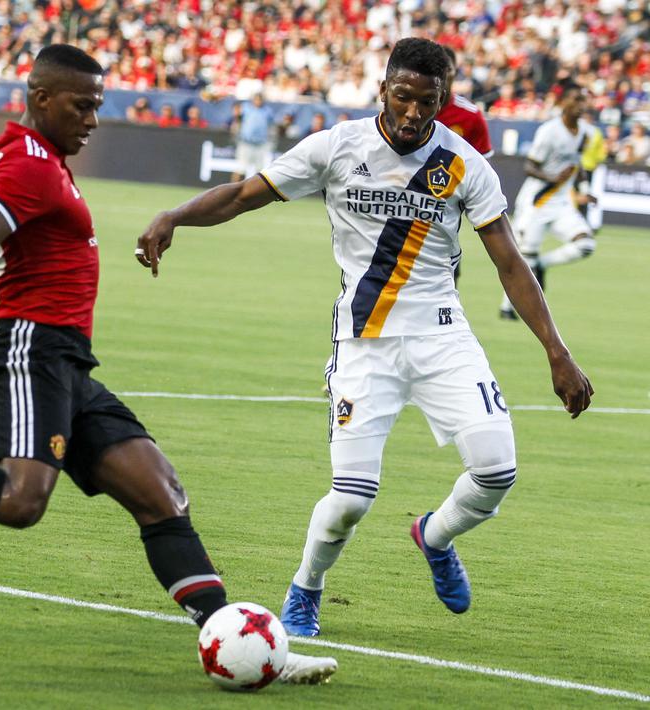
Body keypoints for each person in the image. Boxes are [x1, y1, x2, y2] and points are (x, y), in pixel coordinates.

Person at [0, 44, 337, 684]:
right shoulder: (27, 167)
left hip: (66, 362)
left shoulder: (3, 156)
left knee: (162, 494)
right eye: (82, 106)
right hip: (29, 349)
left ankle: (241, 642)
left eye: (98, 106)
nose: (93, 120)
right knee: (20, 500)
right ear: (42, 98)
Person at [135, 38, 592, 637]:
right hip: (364, 341)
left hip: (443, 337)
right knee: (352, 497)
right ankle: (306, 587)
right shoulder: (337, 147)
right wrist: (174, 216)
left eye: (427, 102)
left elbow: (510, 262)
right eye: (402, 97)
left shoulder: (463, 165)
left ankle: (435, 536)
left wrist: (557, 352)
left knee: (496, 471)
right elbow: (245, 195)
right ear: (383, 91)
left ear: (442, 101)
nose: (412, 113)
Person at [499, 81, 597, 320]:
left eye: (583, 100)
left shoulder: (586, 132)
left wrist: (585, 189)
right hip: (537, 203)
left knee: (585, 245)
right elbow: (530, 166)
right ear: (563, 102)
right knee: (524, 257)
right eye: (575, 99)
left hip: (562, 204)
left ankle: (542, 264)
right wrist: (551, 177)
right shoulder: (549, 131)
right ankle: (507, 307)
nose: (580, 104)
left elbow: (577, 164)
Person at [437, 45, 493, 280]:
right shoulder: (410, 110)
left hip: (446, 205)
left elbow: (484, 167)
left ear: (454, 71)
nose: (441, 75)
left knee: (447, 266)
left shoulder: (470, 116)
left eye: (446, 69)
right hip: (403, 197)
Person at [234, 93, 273, 181]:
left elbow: (271, 125)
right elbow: (237, 116)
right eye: (256, 99)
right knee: (241, 169)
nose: (258, 101)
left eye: (260, 99)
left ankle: (254, 190)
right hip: (246, 142)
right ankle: (235, 188)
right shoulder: (246, 107)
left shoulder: (267, 111)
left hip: (260, 144)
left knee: (259, 171)